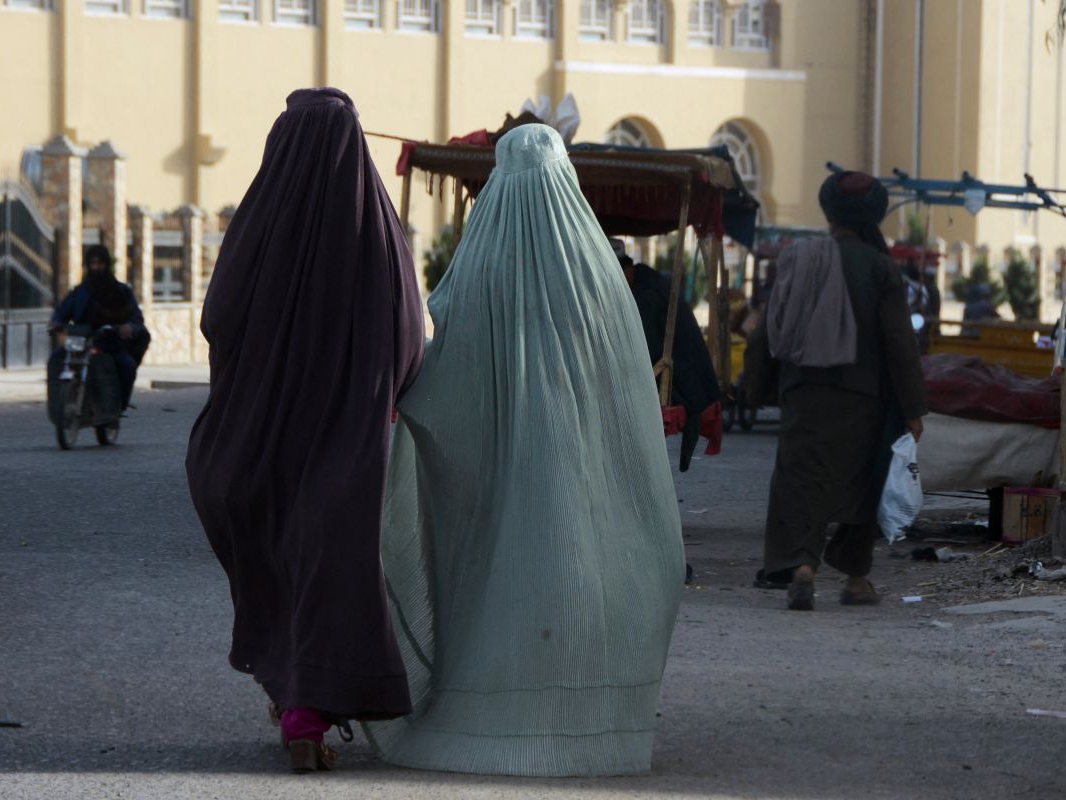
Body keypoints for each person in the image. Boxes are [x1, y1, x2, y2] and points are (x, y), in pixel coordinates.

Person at [363, 124, 686, 776]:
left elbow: (443, 381)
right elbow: (627, 384)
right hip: (587, 481)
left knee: (504, 589)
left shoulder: (477, 269)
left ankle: (499, 713)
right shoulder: (601, 275)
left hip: (500, 486)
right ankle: (581, 726)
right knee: (577, 583)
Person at [185, 88, 425, 772]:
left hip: (263, 429)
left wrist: (256, 378)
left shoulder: (260, 221)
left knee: (276, 550)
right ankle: (307, 709)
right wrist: (382, 390)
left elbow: (219, 317)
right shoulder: (376, 226)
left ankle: (294, 695)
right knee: (331, 558)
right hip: (347, 430)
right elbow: (409, 334)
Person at [752, 171, 927, 610]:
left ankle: (802, 568)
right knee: (862, 482)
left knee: (800, 480)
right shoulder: (880, 266)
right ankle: (855, 579)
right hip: (862, 398)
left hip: (802, 393)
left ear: (829, 212)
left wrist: (753, 388)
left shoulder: (797, 258)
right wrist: (913, 408)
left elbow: (766, 329)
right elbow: (900, 343)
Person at [609, 238, 721, 471]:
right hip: (690, 376)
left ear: (623, 269)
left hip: (682, 379)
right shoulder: (646, 281)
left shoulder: (647, 296)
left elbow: (644, 350)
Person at [48, 244, 148, 410]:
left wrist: (128, 326)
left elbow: (136, 318)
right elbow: (63, 312)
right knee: (56, 360)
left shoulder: (121, 291)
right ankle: (59, 406)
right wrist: (56, 323)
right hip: (81, 340)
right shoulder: (80, 292)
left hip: (109, 342)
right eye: (93, 264)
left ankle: (117, 407)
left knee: (127, 366)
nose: (96, 267)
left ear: (106, 264)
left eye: (100, 263)